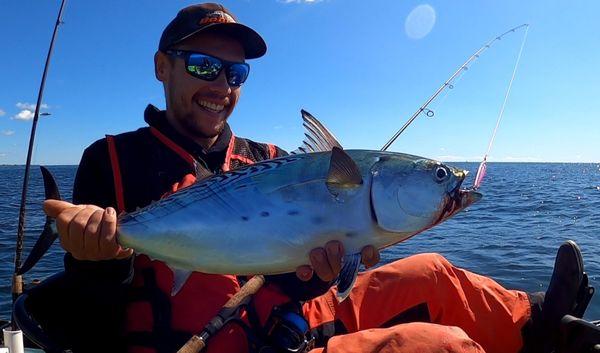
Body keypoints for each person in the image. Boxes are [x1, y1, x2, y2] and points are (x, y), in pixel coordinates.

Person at [36, 3, 588, 353]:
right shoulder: (111, 158)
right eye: (204, 66)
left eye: (236, 73)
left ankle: (541, 325)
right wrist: (94, 259)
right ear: (163, 67)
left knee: (435, 272)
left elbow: (293, 267)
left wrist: (314, 276)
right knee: (436, 346)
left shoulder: (266, 155)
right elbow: (94, 312)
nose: (221, 85)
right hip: (207, 339)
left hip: (283, 316)